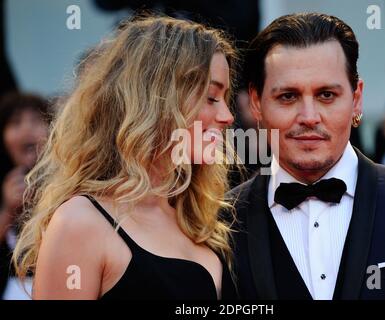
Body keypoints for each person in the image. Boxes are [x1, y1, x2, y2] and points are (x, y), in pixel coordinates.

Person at [13, 15, 237, 300]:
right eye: (211, 97)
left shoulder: (198, 217)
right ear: (155, 99)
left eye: (226, 98)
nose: (228, 116)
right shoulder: (80, 222)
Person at [228, 13, 385, 300]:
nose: (309, 117)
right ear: (257, 103)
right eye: (288, 97)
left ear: (356, 98)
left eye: (326, 95)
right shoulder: (220, 223)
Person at [0, 92, 50, 299]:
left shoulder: (69, 175)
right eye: (16, 123)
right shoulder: (6, 183)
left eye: (36, 120)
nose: (27, 129)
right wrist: (8, 209)